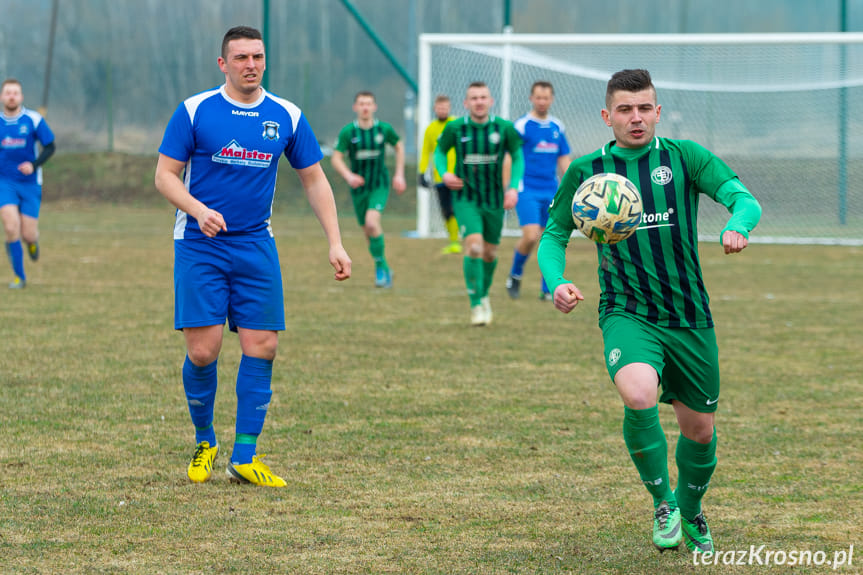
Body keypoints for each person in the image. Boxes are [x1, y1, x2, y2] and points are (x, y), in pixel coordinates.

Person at [537, 69, 761, 553]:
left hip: (689, 315)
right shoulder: (586, 170)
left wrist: (738, 225)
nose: (635, 118)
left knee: (699, 432)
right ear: (607, 115)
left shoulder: (684, 158)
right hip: (626, 310)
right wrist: (556, 281)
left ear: (657, 112)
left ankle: (691, 507)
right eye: (624, 109)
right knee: (638, 393)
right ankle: (663, 503)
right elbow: (554, 234)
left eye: (644, 109)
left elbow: (741, 198)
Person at [154, 25, 351, 488]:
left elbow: (315, 180)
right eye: (241, 57)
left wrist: (335, 241)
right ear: (223, 64)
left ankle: (245, 455)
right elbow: (165, 176)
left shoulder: (286, 115)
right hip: (199, 244)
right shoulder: (195, 110)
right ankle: (206, 440)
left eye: (257, 57)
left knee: (263, 346)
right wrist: (198, 211)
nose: (251, 65)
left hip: (255, 243)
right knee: (204, 351)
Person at [434, 81, 524, 326]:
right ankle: (475, 304)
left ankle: (483, 295)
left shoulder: (503, 128)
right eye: (474, 98)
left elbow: (517, 156)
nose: (479, 101)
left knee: (490, 252)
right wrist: (444, 173)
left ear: (490, 101)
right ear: (466, 103)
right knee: (473, 247)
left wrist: (513, 187)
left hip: (495, 200)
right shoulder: (456, 128)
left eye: (483, 97)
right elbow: (439, 152)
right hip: (466, 199)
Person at [331, 91, 406, 288]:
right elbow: (336, 157)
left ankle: (380, 268)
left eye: (369, 103)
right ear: (355, 107)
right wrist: (349, 176)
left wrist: (399, 174)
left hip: (379, 184)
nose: (365, 107)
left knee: (372, 223)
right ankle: (384, 266)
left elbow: (399, 146)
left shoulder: (383, 129)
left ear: (375, 107)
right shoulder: (349, 132)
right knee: (368, 231)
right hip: (359, 189)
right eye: (361, 104)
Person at [505, 81, 571, 301]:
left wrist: (572, 186)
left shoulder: (557, 127)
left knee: (549, 238)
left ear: (551, 100)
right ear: (531, 99)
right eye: (538, 97)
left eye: (546, 97)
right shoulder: (522, 126)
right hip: (527, 189)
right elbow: (510, 157)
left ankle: (547, 289)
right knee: (531, 235)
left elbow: (564, 159)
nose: (542, 101)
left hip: (551, 190)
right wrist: (510, 188)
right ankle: (515, 274)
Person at [0, 78, 56, 289]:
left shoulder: (33, 119)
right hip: (4, 183)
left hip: (30, 183)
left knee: (28, 234)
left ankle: (32, 242)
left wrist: (34, 164)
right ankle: (19, 277)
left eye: (15, 92)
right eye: (8, 92)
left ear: (21, 97)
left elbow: (50, 146)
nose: (12, 96)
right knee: (11, 227)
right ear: (2, 97)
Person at [418, 94, 461, 254]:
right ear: (435, 109)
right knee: (446, 210)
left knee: (460, 208)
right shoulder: (430, 129)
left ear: (449, 108)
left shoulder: (456, 124)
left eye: (445, 107)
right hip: (440, 177)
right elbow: (426, 152)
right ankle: (454, 242)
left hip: (459, 176)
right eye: (439, 107)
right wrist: (422, 172)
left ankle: (466, 237)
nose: (442, 110)